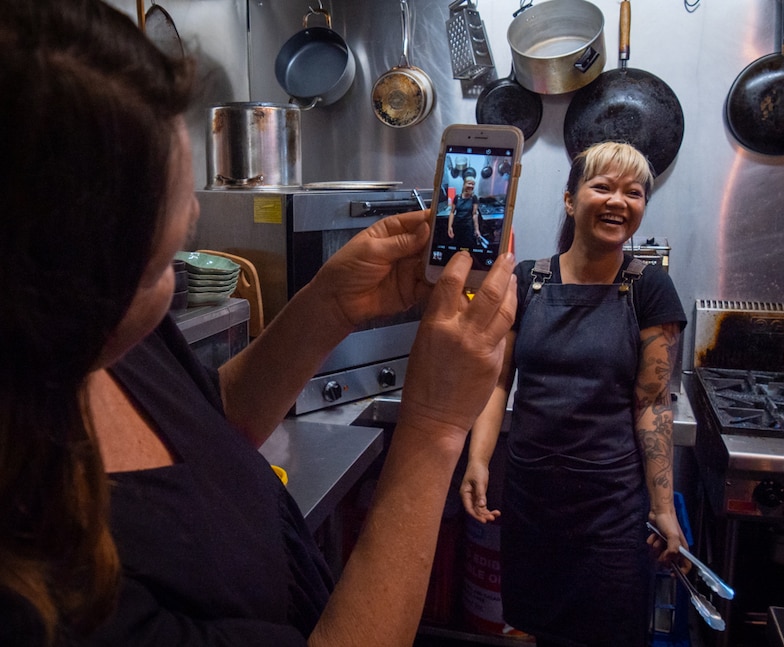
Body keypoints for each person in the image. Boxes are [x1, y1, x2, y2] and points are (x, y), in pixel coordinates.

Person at [0, 1, 517, 645]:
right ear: (65, 285)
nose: (194, 215)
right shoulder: (43, 601)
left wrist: (328, 305)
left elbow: (211, 425)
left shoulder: (111, 339)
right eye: (162, 261)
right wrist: (437, 430)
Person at [459, 142, 689, 647]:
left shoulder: (649, 289)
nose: (618, 201)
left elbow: (653, 405)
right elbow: (499, 382)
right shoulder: (529, 280)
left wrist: (663, 506)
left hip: (610, 509)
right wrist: (478, 460)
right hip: (532, 501)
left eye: (633, 193)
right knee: (539, 630)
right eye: (602, 187)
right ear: (570, 200)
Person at [447, 177, 481, 249]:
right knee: (456, 247)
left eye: (473, 184)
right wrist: (450, 227)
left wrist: (477, 229)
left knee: (467, 248)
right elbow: (452, 212)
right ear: (464, 184)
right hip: (457, 226)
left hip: (468, 228)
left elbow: (474, 214)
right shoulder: (457, 197)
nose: (471, 186)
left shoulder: (474, 198)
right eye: (469, 183)